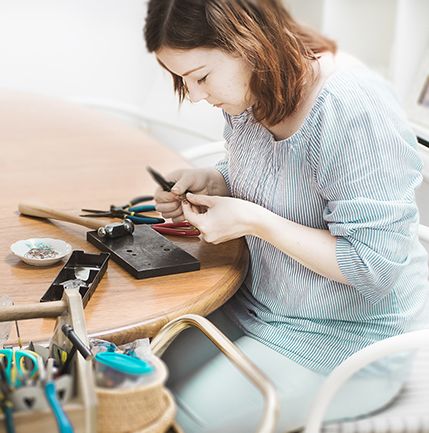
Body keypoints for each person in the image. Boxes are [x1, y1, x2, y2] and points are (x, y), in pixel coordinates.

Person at [144, 0, 429, 432]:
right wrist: (215, 180)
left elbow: (375, 266)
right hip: (257, 304)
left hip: (346, 341)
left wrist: (256, 222)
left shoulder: (350, 108)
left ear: (248, 42)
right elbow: (281, 179)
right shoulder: (253, 92)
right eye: (184, 80)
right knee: (140, 381)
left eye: (201, 76)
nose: (198, 95)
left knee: (174, 417)